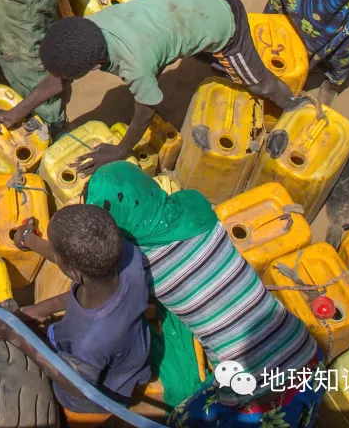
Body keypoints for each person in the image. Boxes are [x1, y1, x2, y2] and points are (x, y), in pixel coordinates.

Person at [86, 163, 322, 425]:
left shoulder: (141, 266)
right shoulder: (196, 205)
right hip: (307, 353)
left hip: (260, 399)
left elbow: (105, 291)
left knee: (181, 419)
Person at [0, 0, 298, 169]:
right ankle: (200, 48)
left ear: (94, 68)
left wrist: (122, 149)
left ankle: (296, 106)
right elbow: (57, 78)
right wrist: (17, 112)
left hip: (225, 20)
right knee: (163, 46)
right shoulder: (95, 26)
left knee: (256, 82)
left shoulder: (134, 64)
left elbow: (147, 110)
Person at [0, 205, 150, 425]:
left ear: (73, 273)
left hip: (94, 390)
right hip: (132, 351)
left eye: (55, 252)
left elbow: (78, 386)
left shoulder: (91, 341)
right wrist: (28, 239)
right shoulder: (129, 258)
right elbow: (79, 266)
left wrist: (11, 332)